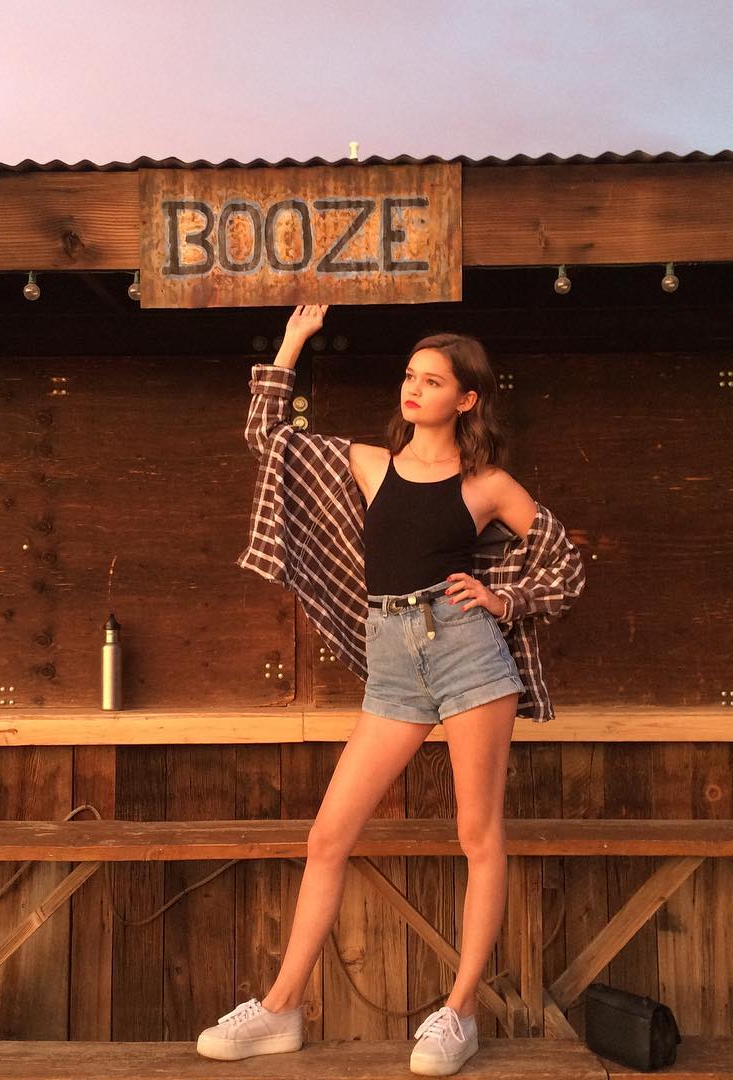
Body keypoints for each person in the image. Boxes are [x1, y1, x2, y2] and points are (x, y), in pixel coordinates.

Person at [197, 305, 586, 1075]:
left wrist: (506, 600)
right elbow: (268, 440)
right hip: (393, 665)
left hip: (468, 656)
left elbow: (566, 565)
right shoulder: (371, 464)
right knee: (327, 837)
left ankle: (460, 1013)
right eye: (411, 376)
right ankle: (280, 1009)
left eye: (433, 381)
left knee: (478, 837)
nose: (414, 389)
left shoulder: (487, 485)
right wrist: (291, 343)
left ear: (466, 399)